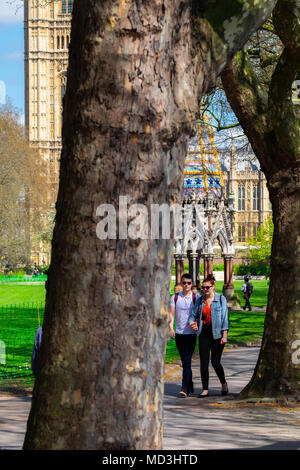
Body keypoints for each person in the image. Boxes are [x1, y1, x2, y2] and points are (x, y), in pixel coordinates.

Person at [189, 274, 229, 397]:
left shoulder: (221, 299)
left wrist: (224, 335)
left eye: (207, 287)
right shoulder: (200, 300)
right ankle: (205, 389)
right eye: (203, 288)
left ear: (213, 286)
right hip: (204, 334)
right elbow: (193, 315)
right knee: (204, 362)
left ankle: (223, 383)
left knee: (215, 362)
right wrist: (192, 323)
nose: (205, 290)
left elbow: (225, 319)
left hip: (217, 335)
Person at [169, 273, 200, 397]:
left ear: (191, 284)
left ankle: (185, 388)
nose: (186, 285)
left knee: (187, 360)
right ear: (181, 284)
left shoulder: (196, 298)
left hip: (191, 334)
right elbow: (171, 314)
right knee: (185, 360)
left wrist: (197, 323)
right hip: (179, 333)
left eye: (189, 283)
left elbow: (199, 315)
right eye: (184, 283)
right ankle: (190, 384)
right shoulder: (175, 297)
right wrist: (171, 328)